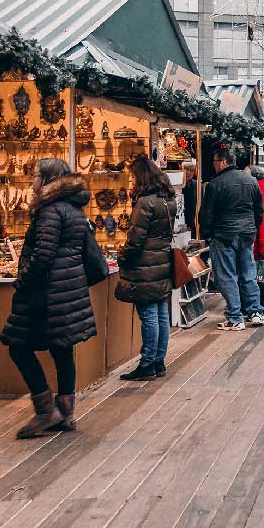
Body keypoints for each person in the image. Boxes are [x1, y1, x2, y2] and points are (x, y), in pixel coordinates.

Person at [0, 159, 96, 438]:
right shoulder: (73, 208)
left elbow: (43, 254)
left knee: (18, 346)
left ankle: (45, 411)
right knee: (62, 349)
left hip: (47, 292)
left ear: (47, 179)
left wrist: (23, 280)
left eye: (35, 176)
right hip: (67, 289)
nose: (32, 181)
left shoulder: (50, 211)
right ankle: (65, 412)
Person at [115, 157, 176, 382]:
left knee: (149, 314)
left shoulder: (145, 202)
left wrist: (122, 256)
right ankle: (158, 360)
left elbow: (135, 239)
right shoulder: (167, 199)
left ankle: (148, 363)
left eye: (133, 176)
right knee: (160, 312)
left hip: (145, 265)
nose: (131, 181)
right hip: (160, 261)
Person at [199, 146, 263, 331]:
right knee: (248, 274)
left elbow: (206, 214)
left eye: (215, 161)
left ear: (223, 162)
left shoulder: (216, 183)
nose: (214, 165)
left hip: (223, 235)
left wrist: (207, 234)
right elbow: (259, 211)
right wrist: (252, 229)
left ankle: (235, 316)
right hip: (246, 234)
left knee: (227, 276)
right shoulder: (251, 181)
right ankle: (255, 312)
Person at [245, 166, 264, 323]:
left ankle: (259, 309)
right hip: (259, 243)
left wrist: (263, 246)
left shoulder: (260, 192)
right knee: (257, 277)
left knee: (259, 277)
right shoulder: (261, 189)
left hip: (260, 244)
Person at [181, 159, 197, 237]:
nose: (188, 173)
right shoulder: (177, 183)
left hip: (192, 219)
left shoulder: (196, 185)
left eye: (191, 171)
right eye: (186, 169)